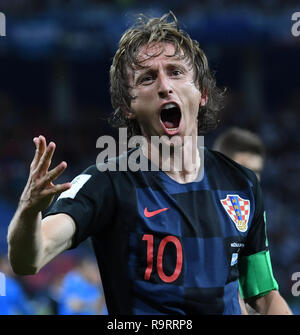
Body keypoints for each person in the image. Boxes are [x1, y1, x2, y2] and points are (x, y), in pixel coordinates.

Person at [7, 12, 292, 315]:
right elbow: (28, 259)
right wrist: (28, 210)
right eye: (148, 78)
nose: (164, 86)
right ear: (129, 106)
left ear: (202, 94)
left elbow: (263, 295)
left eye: (176, 72)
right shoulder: (107, 182)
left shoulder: (242, 184)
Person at [212, 127, 266, 315]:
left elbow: (261, 291)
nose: (253, 179)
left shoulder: (251, 218)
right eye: (244, 169)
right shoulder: (200, 218)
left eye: (257, 171)